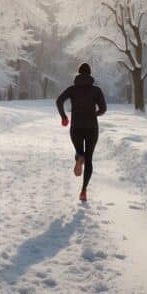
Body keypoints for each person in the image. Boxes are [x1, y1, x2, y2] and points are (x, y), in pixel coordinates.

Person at [56, 63, 107, 202]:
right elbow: (103, 109)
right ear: (90, 74)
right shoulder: (96, 90)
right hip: (91, 127)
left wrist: (64, 117)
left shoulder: (72, 89)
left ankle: (79, 157)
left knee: (80, 151)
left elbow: (59, 101)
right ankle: (84, 190)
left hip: (76, 126)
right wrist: (94, 114)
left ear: (78, 73)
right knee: (89, 159)